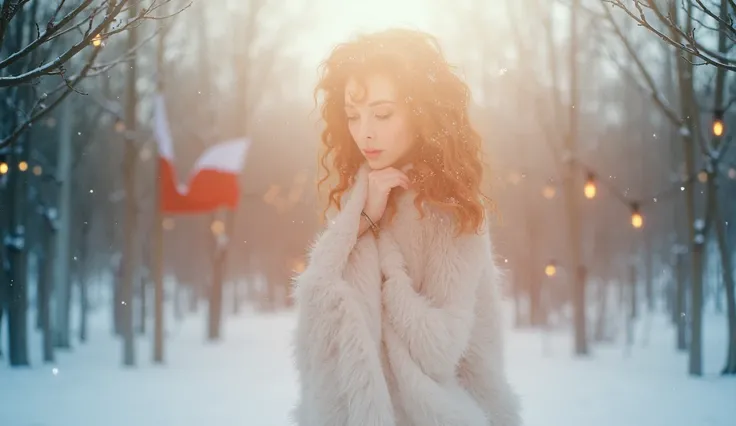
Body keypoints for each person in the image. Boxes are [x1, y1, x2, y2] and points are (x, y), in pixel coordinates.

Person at [291, 28, 522, 426]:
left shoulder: (450, 209)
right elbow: (316, 310)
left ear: (420, 113)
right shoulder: (363, 197)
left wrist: (387, 266)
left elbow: (439, 346)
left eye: (382, 114)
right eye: (352, 115)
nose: (365, 131)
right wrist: (361, 220)